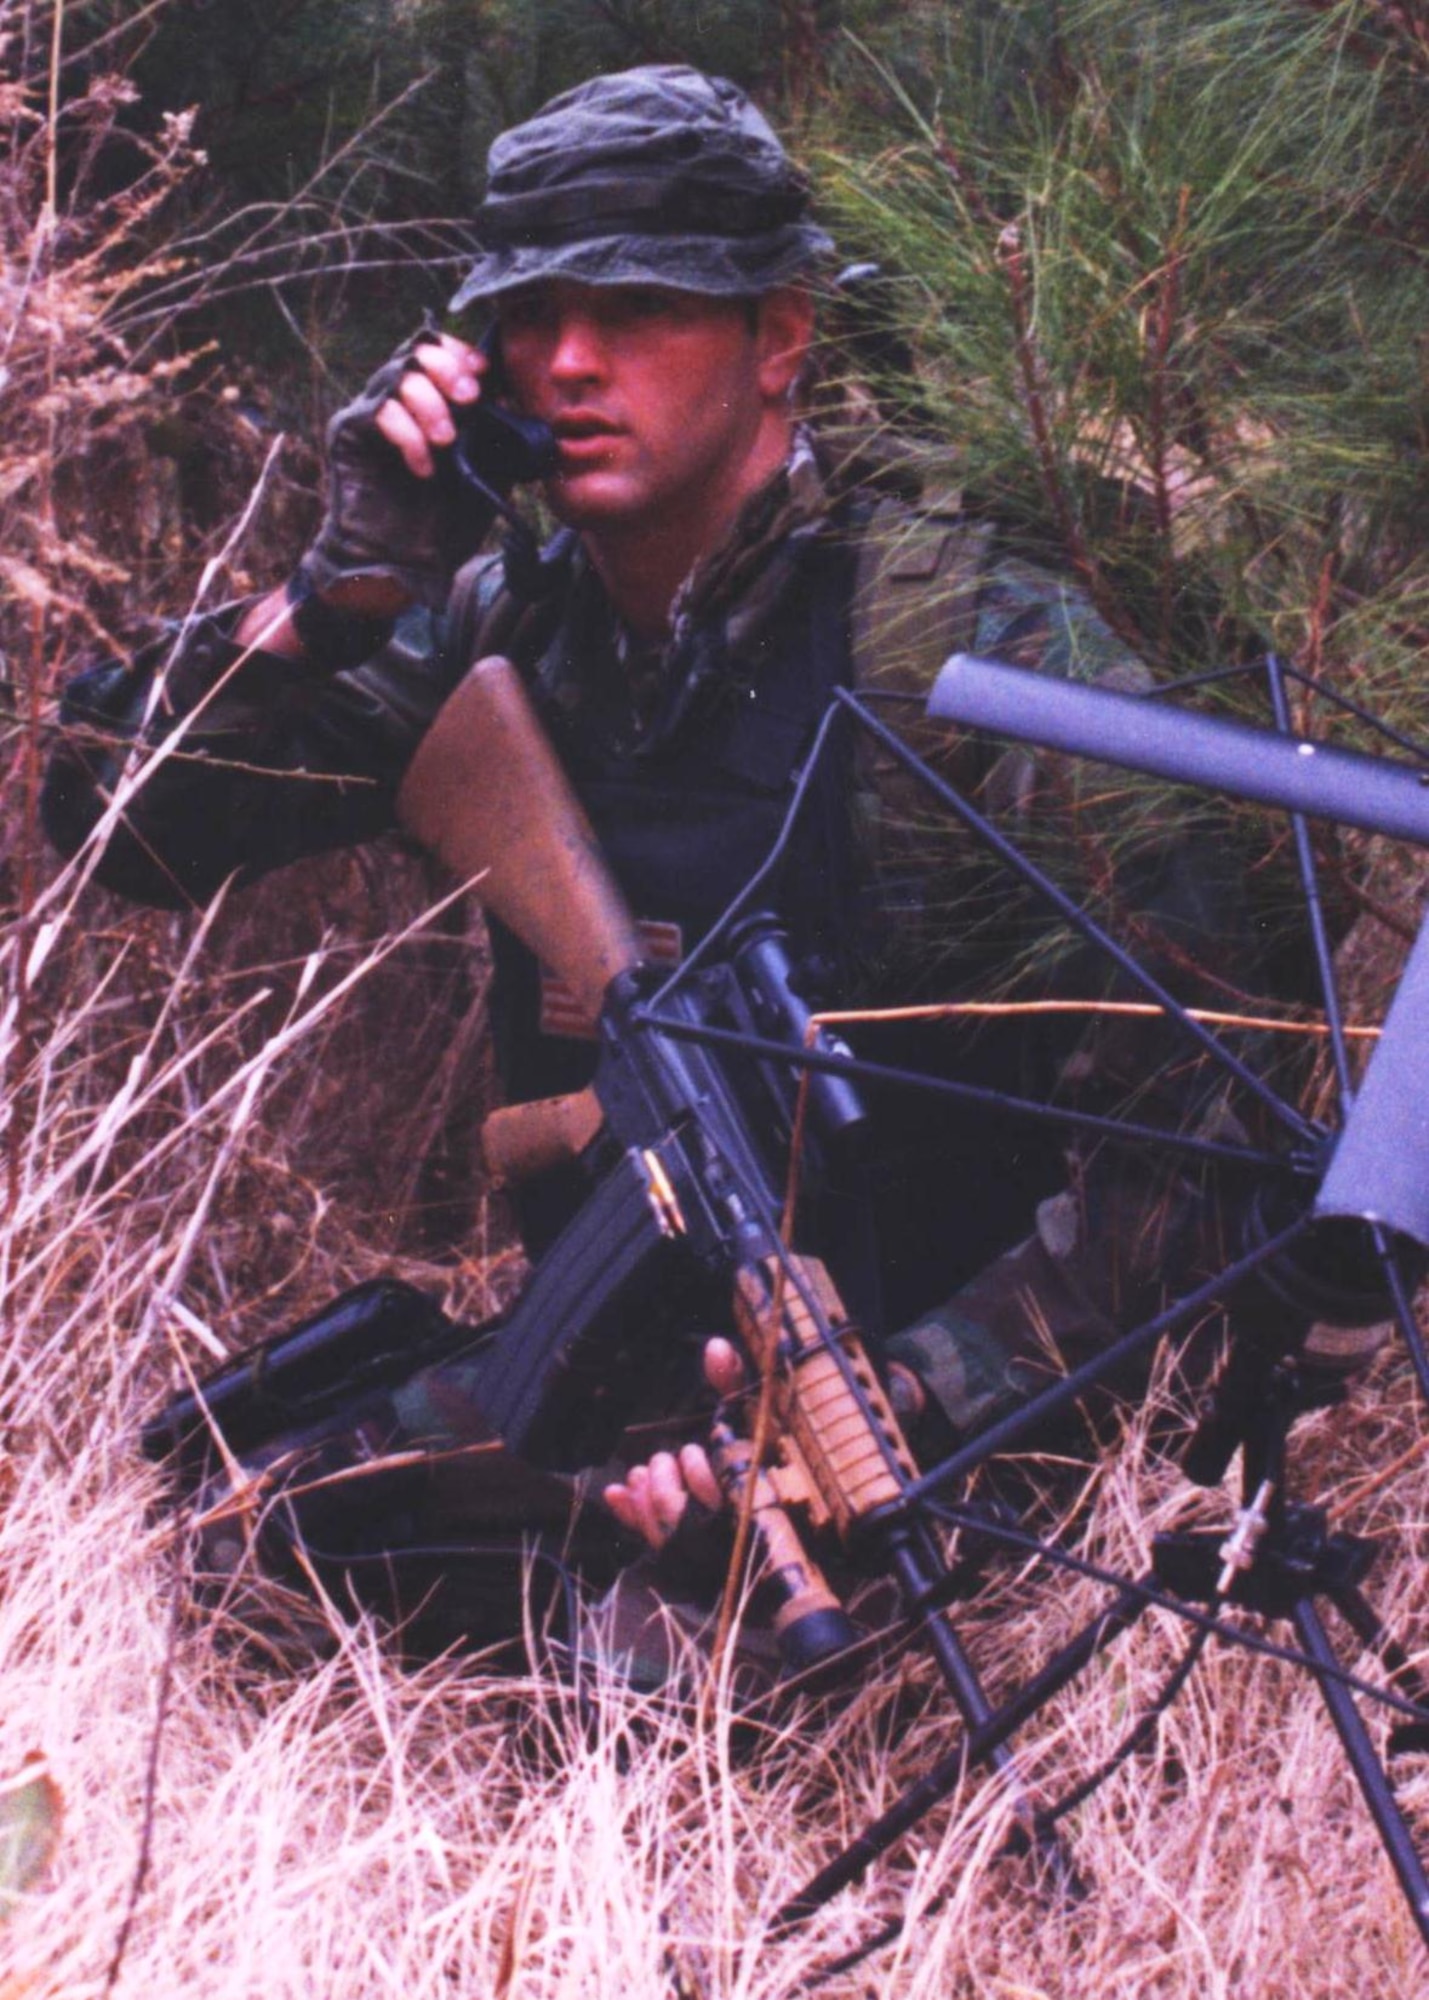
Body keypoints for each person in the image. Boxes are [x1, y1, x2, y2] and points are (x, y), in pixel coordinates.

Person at [43, 67, 1365, 1672]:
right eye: (532, 317)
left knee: (668, 1668)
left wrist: (918, 1394)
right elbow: (117, 816)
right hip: (636, 1375)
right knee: (230, 1543)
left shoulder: (964, 655)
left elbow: (1221, 1142)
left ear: (778, 338)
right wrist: (336, 597)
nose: (575, 359)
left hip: (951, 1418)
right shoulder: (502, 627)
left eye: (644, 309)